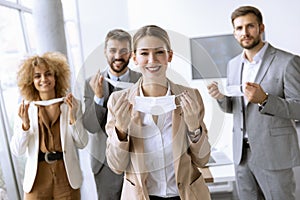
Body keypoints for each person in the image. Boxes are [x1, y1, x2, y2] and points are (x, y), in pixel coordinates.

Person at [105, 25, 211, 200]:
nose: (152, 60)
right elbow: (116, 165)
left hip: (186, 195)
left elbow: (203, 160)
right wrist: (121, 131)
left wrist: (194, 128)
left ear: (169, 56)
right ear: (134, 58)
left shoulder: (191, 96)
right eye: (144, 53)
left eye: (159, 52)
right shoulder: (118, 101)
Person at [207, 5, 300, 200]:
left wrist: (265, 100)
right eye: (239, 28)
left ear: (261, 27)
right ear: (234, 33)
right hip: (242, 154)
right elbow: (235, 108)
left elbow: (298, 108)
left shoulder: (288, 62)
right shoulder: (233, 65)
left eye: (250, 26)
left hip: (274, 153)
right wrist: (220, 98)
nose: (245, 33)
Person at [10, 52, 88, 199]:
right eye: (37, 76)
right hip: (37, 177)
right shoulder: (25, 109)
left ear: (56, 76)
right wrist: (25, 126)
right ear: (31, 81)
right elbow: (17, 150)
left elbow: (82, 143)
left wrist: (72, 118)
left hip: (66, 176)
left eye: (48, 74)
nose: (44, 79)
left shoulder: (70, 105)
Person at [82, 29, 141, 199]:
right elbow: (91, 127)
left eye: (123, 51)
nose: (118, 56)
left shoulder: (142, 80)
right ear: (105, 52)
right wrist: (99, 97)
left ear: (131, 53)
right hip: (105, 163)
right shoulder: (90, 83)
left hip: (138, 159)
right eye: (113, 50)